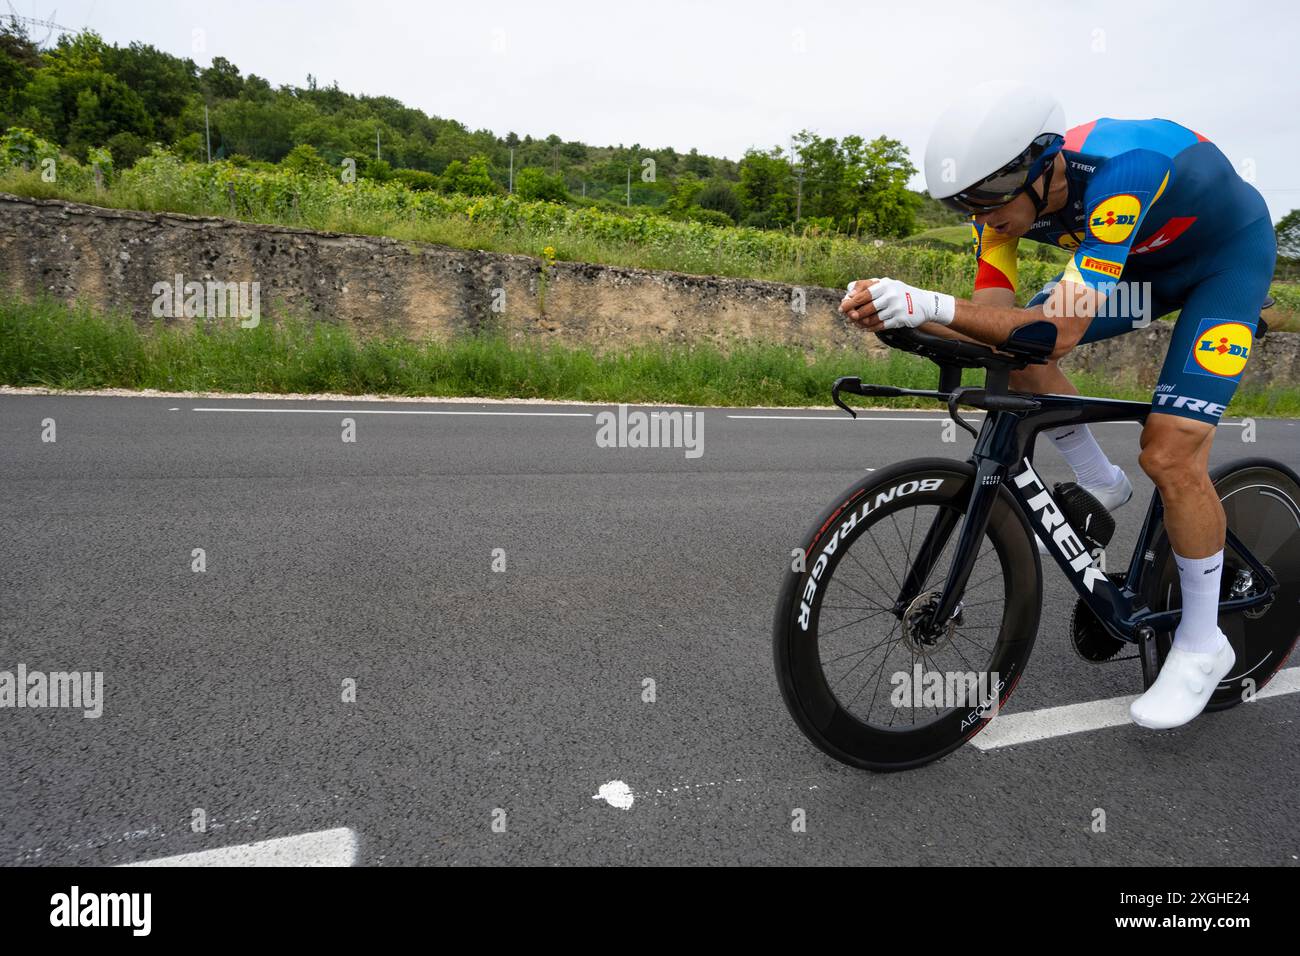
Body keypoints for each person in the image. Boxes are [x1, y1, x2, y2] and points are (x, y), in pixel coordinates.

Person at [839, 82, 1276, 730]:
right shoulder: (996, 207)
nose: (984, 218)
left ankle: (1202, 643)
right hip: (1141, 270)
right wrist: (896, 311)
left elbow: (1058, 331)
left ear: (1042, 167)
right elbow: (997, 328)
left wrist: (929, 302)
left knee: (1170, 452)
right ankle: (1102, 482)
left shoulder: (1122, 174)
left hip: (1225, 260)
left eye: (991, 200)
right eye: (968, 205)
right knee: (1017, 355)